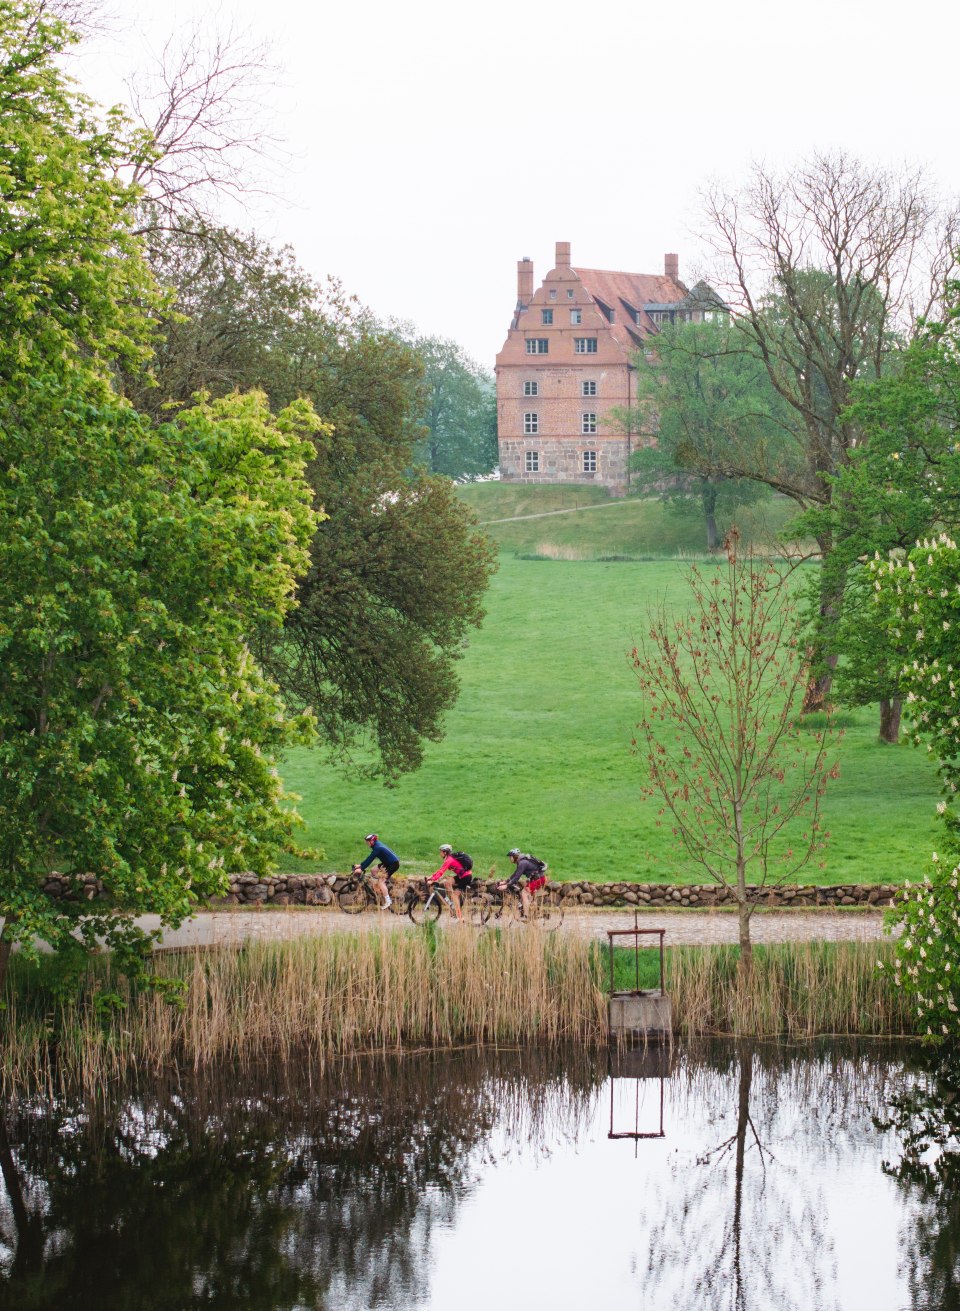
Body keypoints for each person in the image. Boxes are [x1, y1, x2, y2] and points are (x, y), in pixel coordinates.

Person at [499, 848, 547, 918]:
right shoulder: (521, 862)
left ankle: (526, 916)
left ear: (514, 856)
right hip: (535, 879)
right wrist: (505, 882)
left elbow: (516, 878)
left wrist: (506, 886)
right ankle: (535, 912)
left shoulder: (522, 863)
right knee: (528, 895)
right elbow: (515, 874)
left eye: (510, 857)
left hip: (538, 879)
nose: (509, 859)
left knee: (524, 893)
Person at [429, 843, 473, 921]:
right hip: (461, 876)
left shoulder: (449, 860)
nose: (440, 853)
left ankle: (459, 916)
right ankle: (452, 905)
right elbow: (440, 870)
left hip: (466, 877)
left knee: (455, 895)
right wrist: (431, 877)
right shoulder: (449, 859)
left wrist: (433, 879)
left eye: (441, 852)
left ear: (445, 852)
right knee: (447, 883)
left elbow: (441, 871)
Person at [356, 833, 400, 909]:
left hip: (393, 864)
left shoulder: (377, 848)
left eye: (368, 842)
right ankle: (379, 888)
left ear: (372, 841)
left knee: (381, 881)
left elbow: (370, 859)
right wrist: (360, 865)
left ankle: (388, 901)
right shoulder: (376, 845)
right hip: (387, 862)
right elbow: (369, 858)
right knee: (373, 870)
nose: (366, 843)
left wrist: (361, 868)